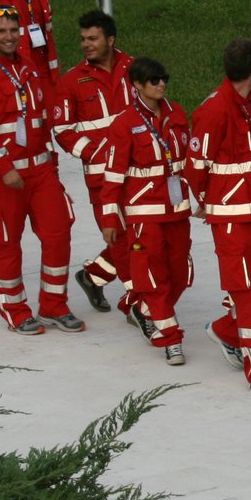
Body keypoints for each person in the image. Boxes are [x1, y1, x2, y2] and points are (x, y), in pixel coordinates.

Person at [0, 6, 84, 335]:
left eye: (14, 30)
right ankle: (14, 309)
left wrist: (52, 161)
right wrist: (4, 165)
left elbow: (40, 119)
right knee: (6, 242)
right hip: (2, 176)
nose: (9, 36)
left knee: (58, 233)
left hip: (41, 171)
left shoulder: (28, 68)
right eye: (2, 31)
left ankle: (54, 305)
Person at [182, 38, 251, 396]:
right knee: (246, 291)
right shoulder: (214, 111)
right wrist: (202, 201)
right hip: (232, 220)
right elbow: (195, 165)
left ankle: (228, 331)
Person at [99, 56, 193, 364]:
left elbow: (190, 162)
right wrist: (110, 218)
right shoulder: (124, 124)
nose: (161, 84)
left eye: (164, 77)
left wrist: (203, 199)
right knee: (153, 276)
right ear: (137, 85)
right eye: (154, 80)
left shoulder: (177, 113)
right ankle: (171, 338)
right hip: (143, 212)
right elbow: (112, 176)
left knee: (179, 273)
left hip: (177, 209)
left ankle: (143, 308)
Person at [54, 11, 135, 318]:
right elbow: (62, 131)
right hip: (102, 178)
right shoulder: (71, 81)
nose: (86, 45)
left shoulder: (135, 69)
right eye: (82, 39)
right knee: (122, 239)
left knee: (143, 237)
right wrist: (97, 154)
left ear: (110, 40)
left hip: (139, 173)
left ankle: (92, 276)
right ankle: (139, 303)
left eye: (93, 39)